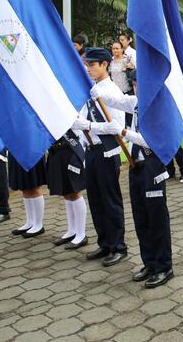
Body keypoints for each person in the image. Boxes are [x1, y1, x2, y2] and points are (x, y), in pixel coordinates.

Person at [104, 71, 175, 289]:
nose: (137, 89)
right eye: (134, 84)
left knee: (156, 218)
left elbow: (153, 141)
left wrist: (125, 132)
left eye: (141, 84)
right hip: (136, 167)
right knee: (141, 217)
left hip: (153, 167)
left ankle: (164, 266)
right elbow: (114, 99)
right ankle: (150, 262)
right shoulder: (135, 102)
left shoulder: (158, 107)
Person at [71, 48, 129, 267]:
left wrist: (87, 125)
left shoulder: (111, 91)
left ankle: (118, 246)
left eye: (92, 65)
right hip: (91, 151)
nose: (89, 69)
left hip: (107, 151)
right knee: (95, 199)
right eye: (87, 65)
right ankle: (104, 242)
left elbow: (116, 127)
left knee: (110, 201)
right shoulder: (91, 89)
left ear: (105, 65)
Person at [46, 130, 89, 250]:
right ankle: (72, 230)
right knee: (66, 192)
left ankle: (81, 234)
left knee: (74, 191)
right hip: (56, 151)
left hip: (70, 150)